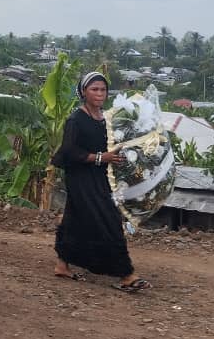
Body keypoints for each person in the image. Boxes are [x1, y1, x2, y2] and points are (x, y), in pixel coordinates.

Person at [51, 72, 151, 292]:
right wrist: (99, 158)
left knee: (74, 217)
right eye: (94, 89)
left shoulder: (105, 118)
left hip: (100, 175)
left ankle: (62, 264)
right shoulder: (76, 119)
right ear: (84, 92)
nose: (99, 94)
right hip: (80, 176)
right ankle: (126, 273)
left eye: (103, 90)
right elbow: (68, 151)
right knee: (108, 218)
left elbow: (110, 145)